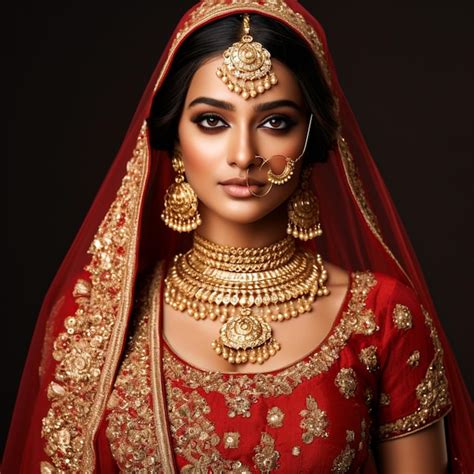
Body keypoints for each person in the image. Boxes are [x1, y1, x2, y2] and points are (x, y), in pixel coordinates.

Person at [3, 1, 473, 472]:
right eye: (212, 121)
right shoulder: (106, 319)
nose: (244, 154)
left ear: (311, 140)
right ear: (173, 139)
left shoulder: (382, 319)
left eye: (275, 122)